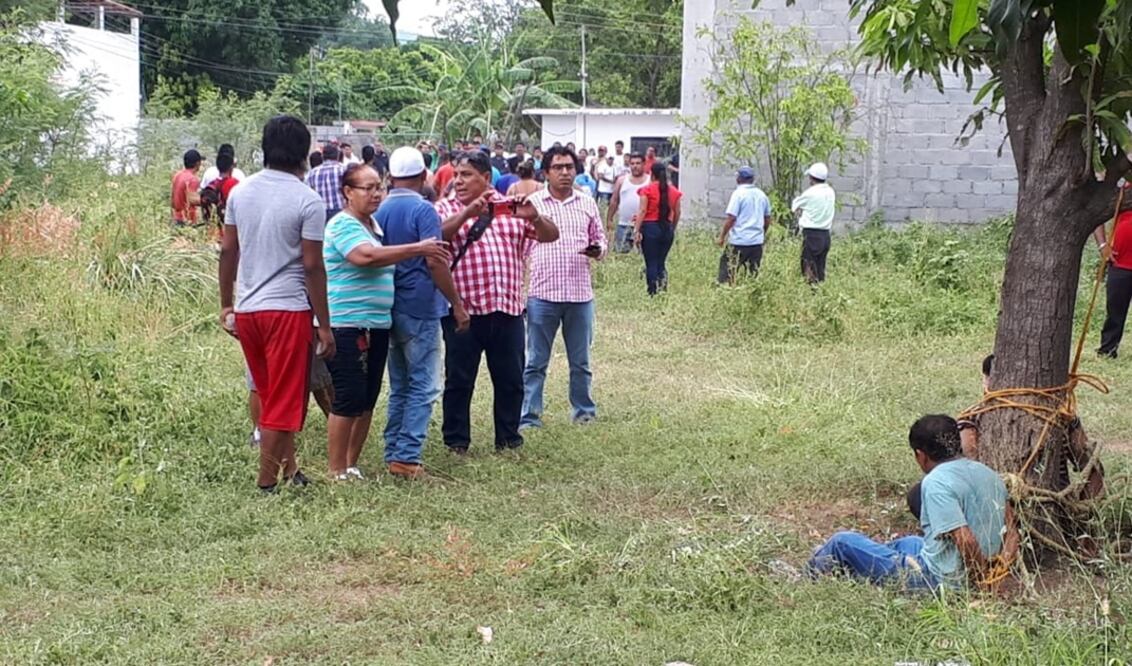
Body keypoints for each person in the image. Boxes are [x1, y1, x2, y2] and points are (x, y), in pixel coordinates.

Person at [219, 115, 335, 493]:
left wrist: (226, 305)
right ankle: (267, 482)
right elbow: (313, 266)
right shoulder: (308, 200)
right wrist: (325, 323)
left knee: (270, 395)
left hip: (248, 310)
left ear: (265, 148)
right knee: (285, 402)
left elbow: (228, 251)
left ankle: (290, 469)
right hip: (287, 309)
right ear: (304, 154)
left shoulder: (241, 192)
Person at [322, 162, 449, 481]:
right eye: (368, 188)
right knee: (348, 397)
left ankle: (351, 464)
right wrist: (417, 248)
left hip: (377, 324)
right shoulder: (343, 225)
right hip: (347, 323)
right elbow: (364, 257)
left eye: (379, 186)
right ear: (348, 193)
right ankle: (336, 470)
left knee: (367, 398)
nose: (376, 194)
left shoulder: (374, 226)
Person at [436, 151, 559, 453]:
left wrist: (536, 217)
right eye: (456, 175)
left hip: (507, 308)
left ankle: (508, 438)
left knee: (510, 379)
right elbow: (437, 236)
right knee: (459, 380)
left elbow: (550, 236)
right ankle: (456, 441)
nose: (458, 181)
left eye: (466, 175)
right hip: (464, 310)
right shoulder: (444, 208)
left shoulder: (511, 209)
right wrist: (467, 214)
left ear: (486, 178)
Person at [808, 415, 1016, 591]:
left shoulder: (936, 483)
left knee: (842, 541)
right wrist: (999, 569)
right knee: (909, 543)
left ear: (921, 456)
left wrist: (980, 581)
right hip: (963, 565)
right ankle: (849, 563)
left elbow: (966, 541)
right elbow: (1013, 532)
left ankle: (806, 579)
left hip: (940, 581)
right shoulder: (989, 474)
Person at [905, 354, 1104, 519]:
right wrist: (1080, 517)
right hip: (1053, 510)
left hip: (996, 512)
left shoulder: (971, 419)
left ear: (988, 380)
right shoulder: (1062, 416)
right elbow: (1094, 470)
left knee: (919, 494)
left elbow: (963, 467)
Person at [377, 148, 470, 478]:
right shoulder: (423, 209)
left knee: (400, 384)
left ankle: (394, 450)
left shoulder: (381, 208)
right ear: (424, 175)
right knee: (425, 385)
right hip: (420, 305)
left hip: (390, 303)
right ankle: (407, 455)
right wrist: (456, 304)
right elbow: (435, 261)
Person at [521, 146, 607, 430]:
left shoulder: (587, 202)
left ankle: (583, 412)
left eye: (570, 167)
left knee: (580, 362)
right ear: (546, 172)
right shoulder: (532, 204)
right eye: (558, 167)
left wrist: (598, 250)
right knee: (535, 362)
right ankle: (530, 416)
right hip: (542, 296)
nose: (565, 172)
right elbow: (519, 246)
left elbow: (601, 239)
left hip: (579, 295)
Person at [717, 166, 772, 284]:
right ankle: (751, 296)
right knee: (752, 274)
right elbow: (767, 218)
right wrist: (762, 233)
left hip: (739, 241)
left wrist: (722, 236)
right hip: (756, 242)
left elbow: (731, 218)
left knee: (727, 271)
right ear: (752, 179)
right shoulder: (762, 195)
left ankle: (727, 292)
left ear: (738, 179)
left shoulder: (738, 194)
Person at [634, 161, 682, 295]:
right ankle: (662, 290)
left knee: (651, 263)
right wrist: (673, 227)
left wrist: (636, 230)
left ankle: (652, 292)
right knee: (661, 262)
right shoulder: (674, 192)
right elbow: (677, 212)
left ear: (652, 174)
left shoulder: (646, 190)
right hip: (667, 228)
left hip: (650, 228)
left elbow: (642, 211)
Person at [1095, 183, 1132, 359]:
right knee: (1115, 311)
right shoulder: (1123, 192)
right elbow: (1097, 215)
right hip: (1120, 262)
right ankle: (1108, 350)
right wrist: (1103, 245)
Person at [792, 162, 836, 283]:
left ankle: (810, 295)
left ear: (811, 177)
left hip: (811, 235)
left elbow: (795, 206)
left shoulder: (810, 193)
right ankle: (819, 295)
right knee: (820, 268)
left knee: (808, 268)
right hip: (825, 235)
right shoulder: (830, 192)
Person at [607, 153, 648, 253]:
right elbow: (614, 200)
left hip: (645, 225)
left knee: (645, 255)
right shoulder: (622, 180)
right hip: (624, 224)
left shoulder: (650, 181)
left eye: (638, 163)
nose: (635, 166)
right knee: (620, 255)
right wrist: (609, 219)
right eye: (632, 163)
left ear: (643, 164)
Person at [200, 151, 242, 236]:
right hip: (229, 232)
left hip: (211, 232)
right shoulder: (234, 184)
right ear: (231, 167)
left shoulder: (211, 185)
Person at [306, 144, 347, 220]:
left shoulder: (312, 173)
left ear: (322, 157)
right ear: (337, 155)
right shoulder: (343, 170)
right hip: (340, 210)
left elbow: (307, 195)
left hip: (319, 212)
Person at [171, 149, 203, 227]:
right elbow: (192, 200)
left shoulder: (177, 175)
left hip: (176, 217)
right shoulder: (192, 179)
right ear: (198, 163)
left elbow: (172, 197)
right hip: (186, 220)